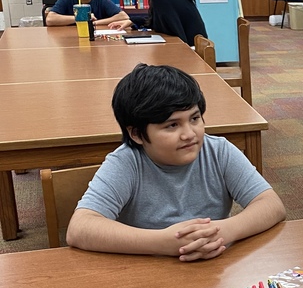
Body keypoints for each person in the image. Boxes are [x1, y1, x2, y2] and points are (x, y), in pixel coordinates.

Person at [66, 64, 285, 260]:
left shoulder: (218, 151)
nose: (189, 134)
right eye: (172, 125)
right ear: (136, 134)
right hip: (146, 271)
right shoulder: (127, 162)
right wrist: (163, 242)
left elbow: (271, 204)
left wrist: (224, 230)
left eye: (195, 118)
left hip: (213, 268)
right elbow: (80, 227)